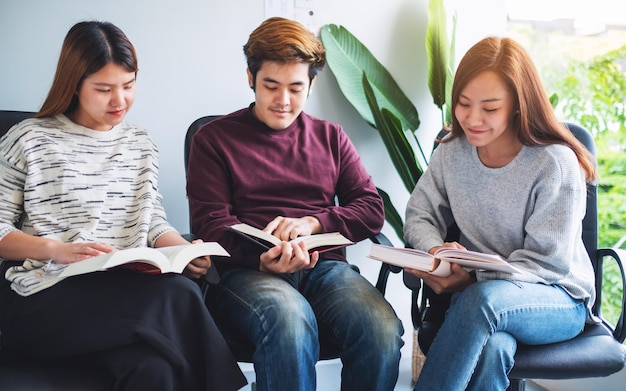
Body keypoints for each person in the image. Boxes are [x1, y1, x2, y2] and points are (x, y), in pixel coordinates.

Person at [0, 21, 247, 391]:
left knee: (154, 370)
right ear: (74, 85)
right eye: (103, 89)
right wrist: (60, 250)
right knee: (179, 294)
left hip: (120, 298)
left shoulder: (139, 143)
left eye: (128, 86)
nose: (120, 101)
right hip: (42, 298)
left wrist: (182, 251)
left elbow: (152, 224)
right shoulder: (28, 139)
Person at [186, 17, 404, 391]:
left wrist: (314, 223)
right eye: (271, 85)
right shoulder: (214, 139)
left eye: (296, 88)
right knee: (288, 318)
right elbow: (210, 222)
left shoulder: (331, 137)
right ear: (250, 77)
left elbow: (370, 209)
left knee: (380, 327)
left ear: (312, 84)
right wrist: (259, 258)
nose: (283, 101)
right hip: (245, 273)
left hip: (325, 271)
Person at [403, 36, 597, 391]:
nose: (472, 119)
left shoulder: (554, 163)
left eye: (490, 109)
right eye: (463, 104)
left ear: (519, 106)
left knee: (483, 300)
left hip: (556, 298)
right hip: (483, 303)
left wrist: (471, 280)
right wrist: (434, 252)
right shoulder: (452, 152)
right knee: (494, 349)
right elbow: (420, 213)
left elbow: (547, 265)